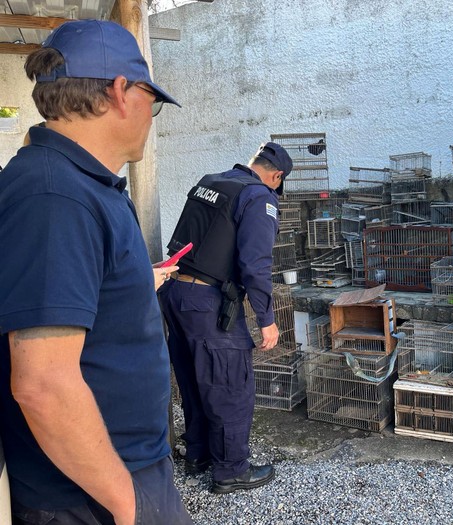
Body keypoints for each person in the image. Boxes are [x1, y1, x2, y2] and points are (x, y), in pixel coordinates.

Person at [0, 19, 190, 525]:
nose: (153, 114)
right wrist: (127, 503)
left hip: (112, 476)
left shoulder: (80, 185)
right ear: (120, 91)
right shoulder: (54, 195)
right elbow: (42, 383)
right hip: (89, 495)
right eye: (153, 97)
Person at [159, 141, 292, 494]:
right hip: (207, 302)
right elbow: (256, 264)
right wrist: (267, 318)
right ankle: (232, 470)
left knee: (194, 380)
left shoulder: (212, 181)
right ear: (276, 176)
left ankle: (198, 455)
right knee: (230, 384)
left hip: (175, 293)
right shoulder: (259, 197)